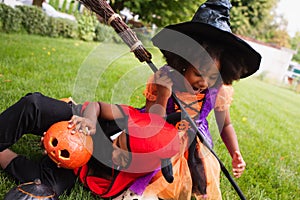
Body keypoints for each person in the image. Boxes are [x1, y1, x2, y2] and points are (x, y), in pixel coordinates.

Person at [119, 0, 261, 199]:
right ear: (183, 62)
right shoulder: (165, 78)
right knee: (151, 155)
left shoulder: (218, 90)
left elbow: (225, 125)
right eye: (198, 73)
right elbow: (152, 121)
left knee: (201, 168)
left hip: (195, 138)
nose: (204, 82)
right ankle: (138, 191)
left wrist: (235, 152)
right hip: (158, 130)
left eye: (212, 76)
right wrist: (163, 95)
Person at [0, 92, 180, 198]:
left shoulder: (140, 175)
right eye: (118, 142)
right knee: (34, 105)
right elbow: (97, 106)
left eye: (124, 157)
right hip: (77, 122)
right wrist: (90, 121)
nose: (114, 152)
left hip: (77, 164)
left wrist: (59, 152)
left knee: (49, 187)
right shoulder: (130, 118)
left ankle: (3, 155)